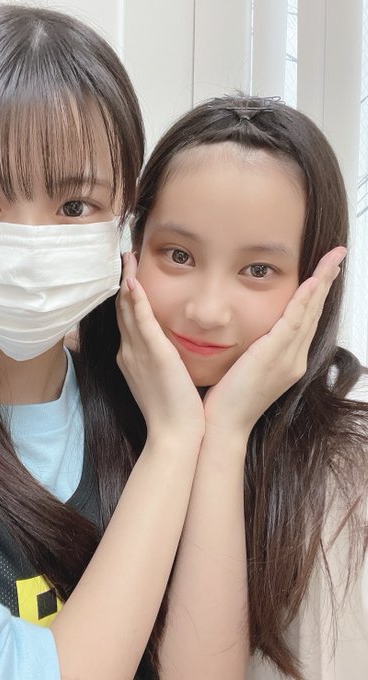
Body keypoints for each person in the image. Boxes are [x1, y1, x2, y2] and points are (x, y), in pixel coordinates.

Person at [0, 5, 344, 678]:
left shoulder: (137, 402)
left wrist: (208, 431)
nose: (30, 242)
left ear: (123, 218)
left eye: (74, 206)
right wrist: (175, 440)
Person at [79, 95, 368, 680]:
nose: (207, 311)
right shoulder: (65, 406)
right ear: (132, 248)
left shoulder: (346, 466)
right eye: (178, 255)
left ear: (315, 282)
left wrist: (225, 433)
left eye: (258, 270)